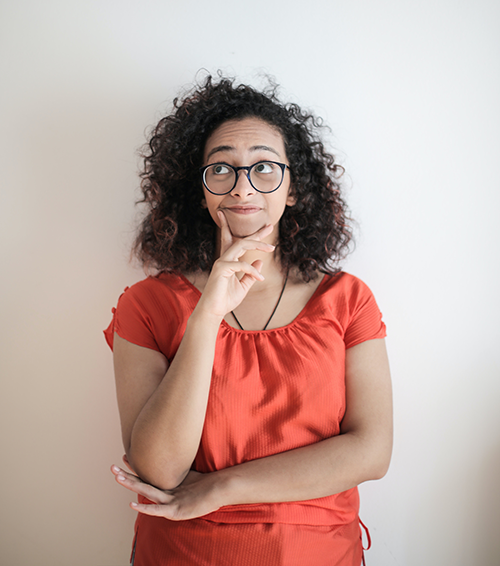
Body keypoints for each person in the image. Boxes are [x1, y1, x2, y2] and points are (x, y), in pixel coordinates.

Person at [104, 75, 393, 566]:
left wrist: (221, 487)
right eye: (222, 168)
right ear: (200, 191)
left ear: (294, 188)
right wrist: (207, 316)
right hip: (184, 554)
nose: (242, 187)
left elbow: (371, 452)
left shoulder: (347, 300)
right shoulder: (147, 305)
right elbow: (158, 470)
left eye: (264, 167)